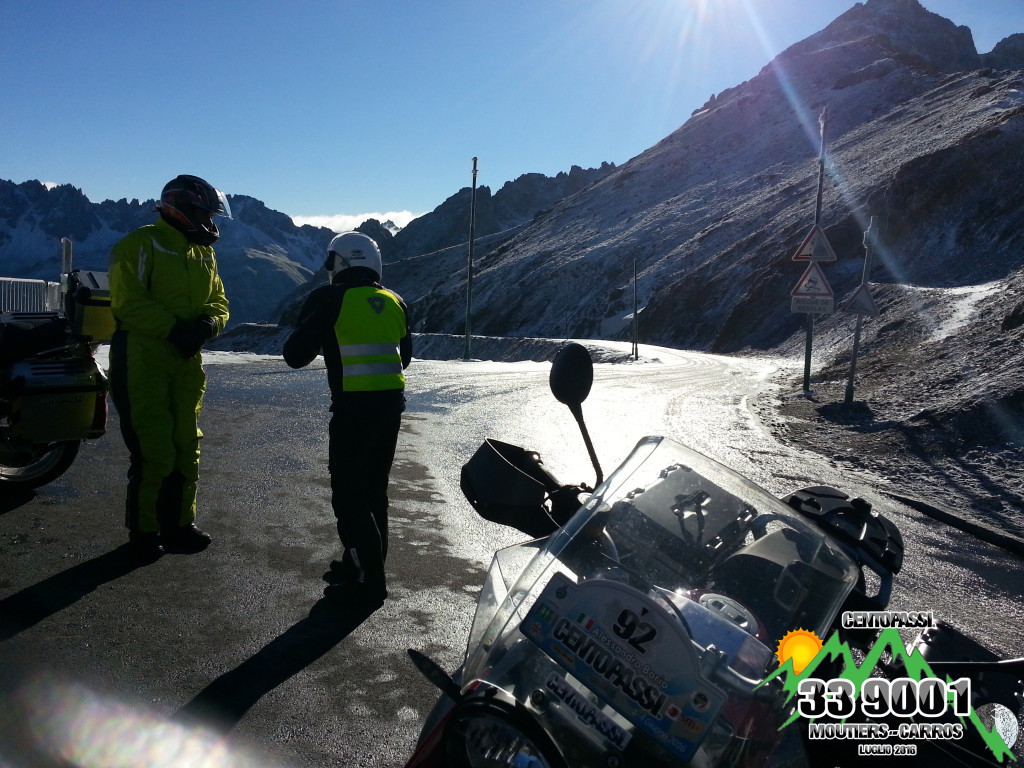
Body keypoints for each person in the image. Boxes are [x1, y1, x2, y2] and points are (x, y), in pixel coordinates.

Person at [283, 231, 411, 609]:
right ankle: (359, 566)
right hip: (391, 406)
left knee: (350, 496)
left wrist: (321, 331)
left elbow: (295, 355)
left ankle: (370, 583)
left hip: (353, 409)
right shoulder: (395, 300)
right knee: (375, 491)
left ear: (339, 262)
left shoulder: (330, 297)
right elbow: (404, 357)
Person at [107, 174, 231, 562]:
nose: (209, 222)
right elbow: (128, 303)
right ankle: (144, 532)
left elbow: (219, 301)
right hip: (142, 358)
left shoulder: (203, 253)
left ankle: (178, 524)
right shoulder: (140, 244)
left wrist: (209, 324)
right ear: (181, 207)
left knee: (185, 445)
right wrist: (174, 330)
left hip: (185, 360)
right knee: (153, 450)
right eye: (203, 212)